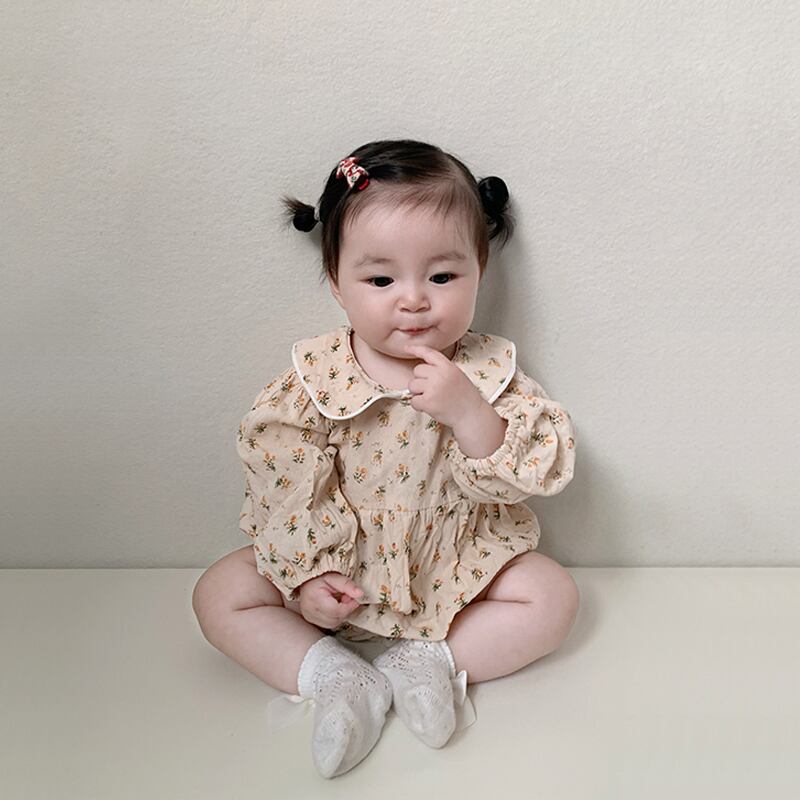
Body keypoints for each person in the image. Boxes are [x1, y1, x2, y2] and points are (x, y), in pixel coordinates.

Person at [192, 139, 580, 778]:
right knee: (220, 593)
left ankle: (430, 659)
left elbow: (533, 470)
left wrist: (470, 413)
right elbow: (283, 482)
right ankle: (334, 675)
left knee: (553, 595)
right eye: (380, 280)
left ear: (479, 270)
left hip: (453, 572)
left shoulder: (487, 372)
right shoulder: (317, 378)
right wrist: (307, 578)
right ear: (337, 283)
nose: (414, 299)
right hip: (342, 575)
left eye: (442, 277)